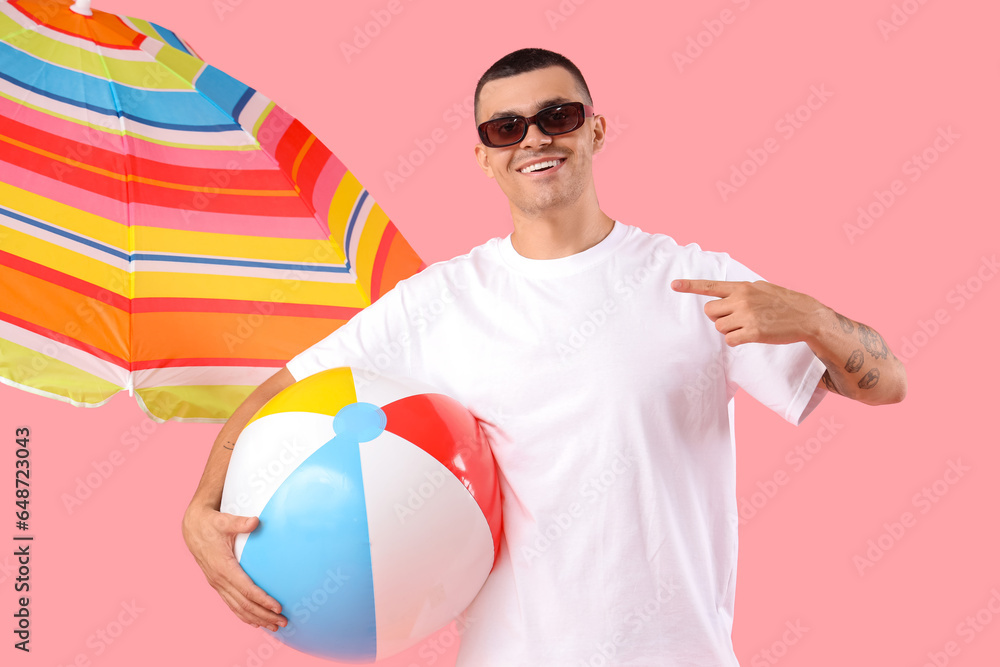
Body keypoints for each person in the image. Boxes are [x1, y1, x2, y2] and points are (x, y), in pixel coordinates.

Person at [182, 48, 906, 665]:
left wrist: (812, 316)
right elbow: (282, 390)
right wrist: (201, 509)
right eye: (506, 127)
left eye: (556, 117)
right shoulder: (437, 301)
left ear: (594, 128)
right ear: (484, 155)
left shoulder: (691, 277)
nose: (534, 139)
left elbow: (887, 385)